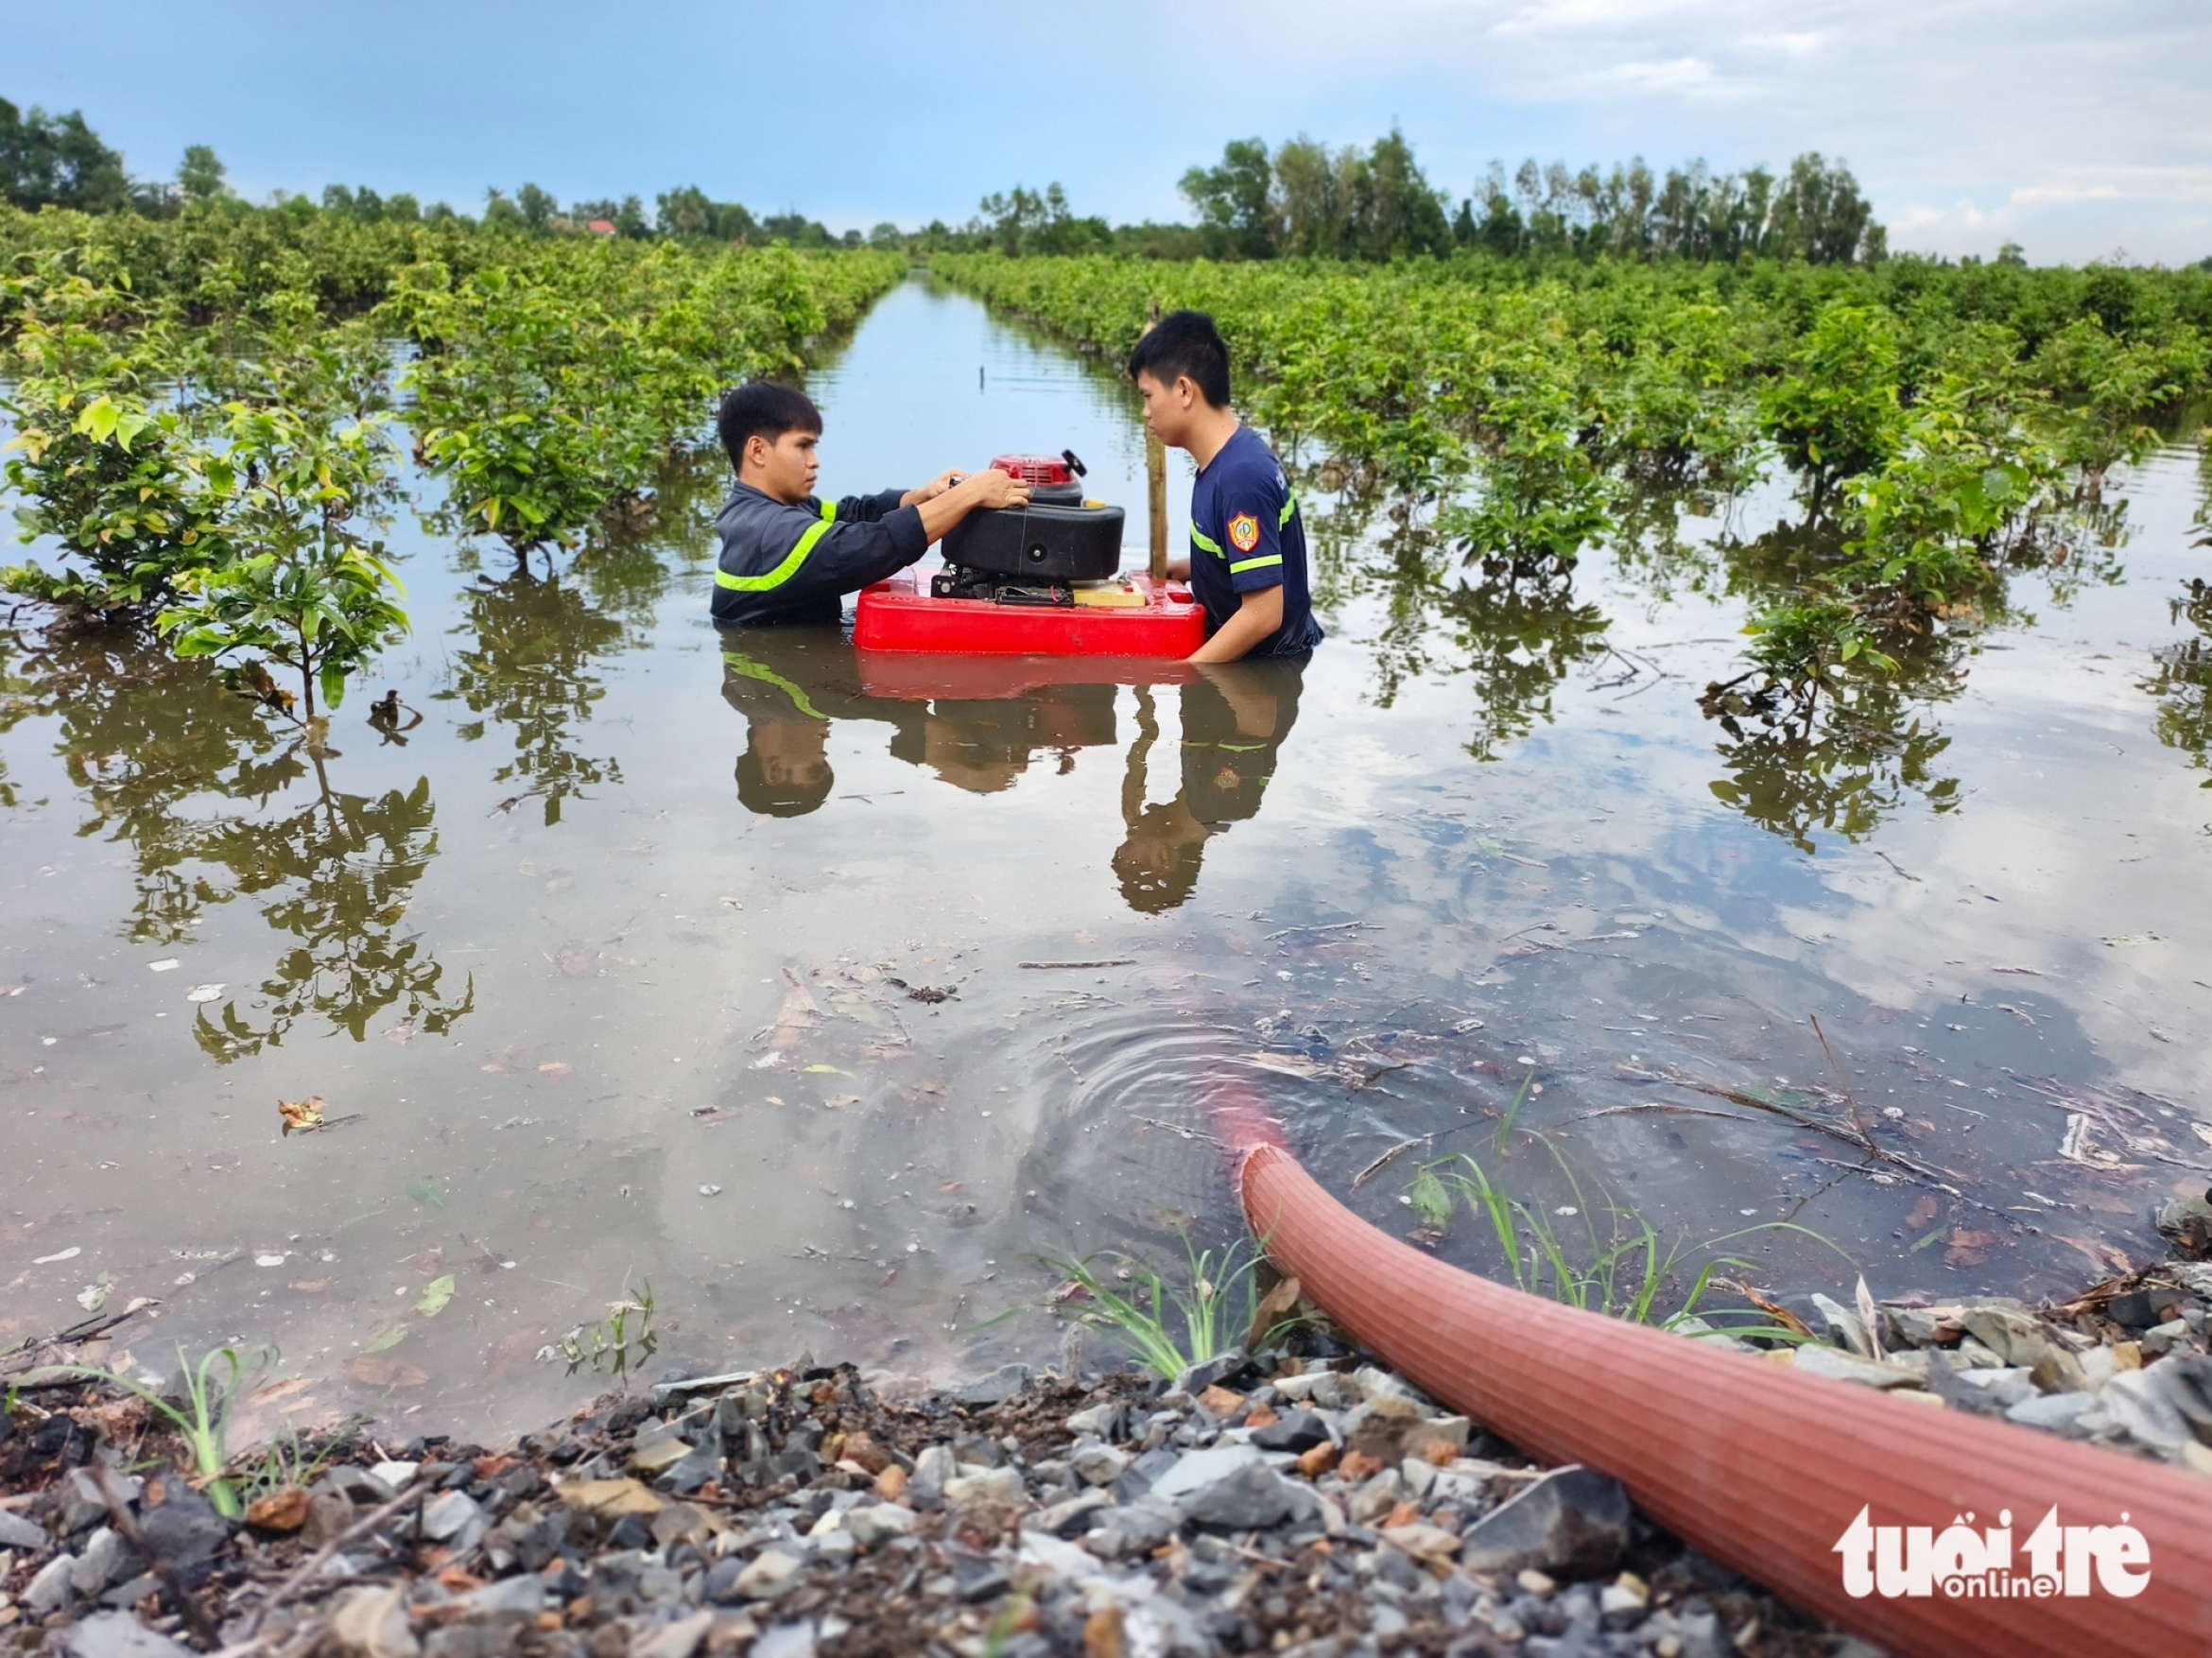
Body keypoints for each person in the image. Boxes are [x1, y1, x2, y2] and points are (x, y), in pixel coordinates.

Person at [710, 380, 1029, 626]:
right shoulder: (768, 531)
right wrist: (969, 495)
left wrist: (924, 495)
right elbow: (863, 548)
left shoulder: (782, 507)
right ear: (758, 451)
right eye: (803, 447)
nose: (814, 461)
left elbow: (853, 514)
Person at [1127, 312, 1323, 663]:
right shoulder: (1230, 457)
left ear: (1184, 390)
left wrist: (1189, 671)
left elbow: (1262, 614)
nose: (1145, 411)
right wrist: (1186, 569)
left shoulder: (1240, 477)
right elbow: (1241, 554)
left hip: (1265, 670)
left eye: (1147, 395)